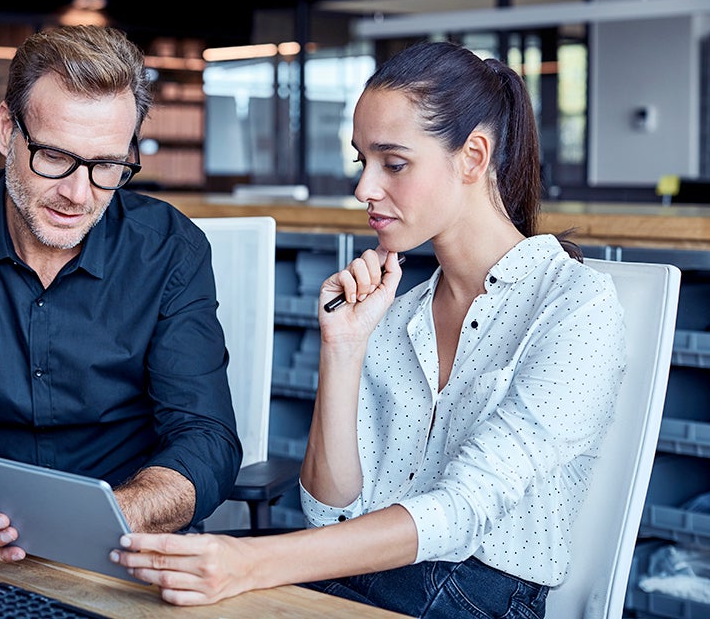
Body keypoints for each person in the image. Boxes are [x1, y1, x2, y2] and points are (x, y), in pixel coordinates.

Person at [111, 40, 626, 618]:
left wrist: (251, 563)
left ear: (474, 157)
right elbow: (329, 514)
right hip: (369, 577)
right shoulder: (397, 313)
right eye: (363, 161)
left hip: (477, 597)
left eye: (394, 163)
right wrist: (344, 348)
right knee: (151, 593)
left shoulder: (576, 305)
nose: (364, 189)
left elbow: (463, 512)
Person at [0, 24, 242, 566]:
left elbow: (205, 439)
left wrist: (114, 516)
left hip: (126, 544)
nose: (77, 193)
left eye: (106, 166)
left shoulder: (171, 250)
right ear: (6, 130)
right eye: (53, 157)